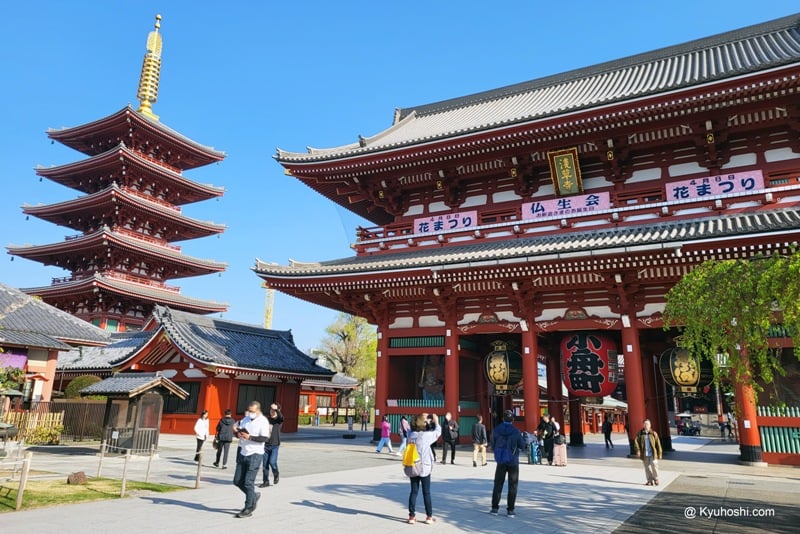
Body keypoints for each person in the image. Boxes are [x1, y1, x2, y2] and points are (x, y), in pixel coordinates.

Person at [232, 401, 271, 518]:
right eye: (249, 411)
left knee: (248, 482)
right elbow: (239, 430)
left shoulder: (263, 421)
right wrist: (237, 434)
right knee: (237, 481)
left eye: (253, 411)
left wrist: (250, 437)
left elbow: (264, 438)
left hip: (255, 453)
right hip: (243, 451)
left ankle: (249, 507)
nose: (250, 413)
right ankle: (253, 496)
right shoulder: (246, 419)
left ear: (258, 410)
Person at [406, 413, 442, 525]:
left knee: (414, 491)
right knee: (426, 492)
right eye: (425, 421)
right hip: (424, 467)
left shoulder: (410, 435)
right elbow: (437, 433)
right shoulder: (426, 436)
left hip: (413, 466)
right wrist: (436, 422)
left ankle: (411, 516)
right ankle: (429, 516)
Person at [490, 410, 527, 518]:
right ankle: (510, 510)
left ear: (502, 419)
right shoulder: (516, 431)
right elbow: (522, 445)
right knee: (513, 485)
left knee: (498, 484)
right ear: (513, 420)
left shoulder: (496, 430)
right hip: (513, 461)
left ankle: (494, 508)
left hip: (501, 460)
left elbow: (492, 444)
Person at [260, 402, 284, 488]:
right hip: (265, 445)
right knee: (265, 464)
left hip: (274, 445)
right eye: (271, 409)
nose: (272, 411)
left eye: (274, 410)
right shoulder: (266, 420)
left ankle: (276, 473)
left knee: (272, 462)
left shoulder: (278, 420)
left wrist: (276, 409)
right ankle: (265, 481)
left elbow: (281, 417)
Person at [634, 419, 663, 486]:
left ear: (650, 425)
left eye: (647, 424)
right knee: (647, 468)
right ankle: (649, 480)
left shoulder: (653, 433)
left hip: (653, 453)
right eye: (645, 424)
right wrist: (638, 450)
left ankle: (656, 479)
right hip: (644, 453)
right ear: (643, 425)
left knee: (654, 466)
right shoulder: (640, 433)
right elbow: (636, 442)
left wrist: (660, 453)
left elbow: (658, 444)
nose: (646, 425)